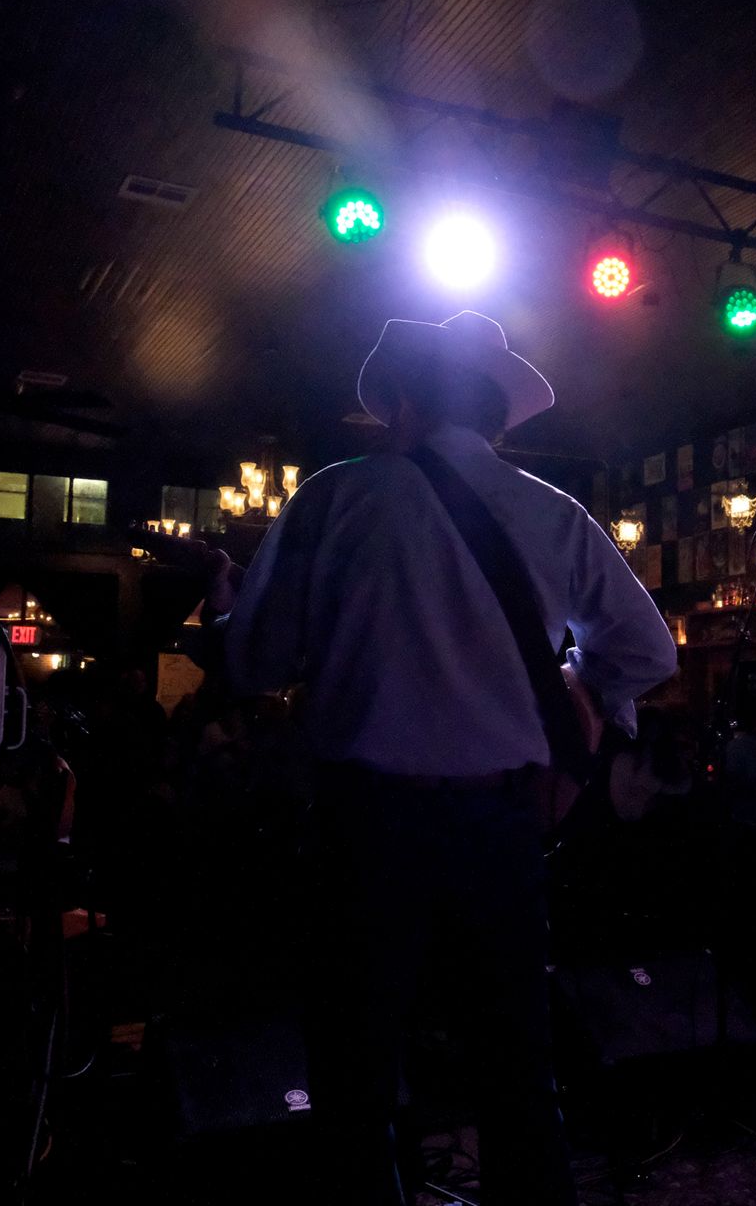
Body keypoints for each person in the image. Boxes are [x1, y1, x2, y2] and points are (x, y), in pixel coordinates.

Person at [222, 310, 678, 1205]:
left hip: (366, 823)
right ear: (496, 414)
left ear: (401, 403)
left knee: (356, 1078)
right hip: (500, 823)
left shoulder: (337, 496)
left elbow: (257, 661)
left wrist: (224, 612)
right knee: (516, 1074)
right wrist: (580, 691)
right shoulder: (553, 511)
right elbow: (647, 651)